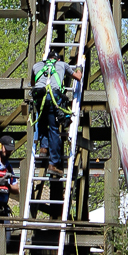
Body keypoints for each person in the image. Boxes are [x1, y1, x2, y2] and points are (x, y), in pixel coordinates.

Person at [31, 49, 82, 177]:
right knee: (53, 129)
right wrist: (79, 68)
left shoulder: (36, 65)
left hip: (38, 96)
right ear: (57, 59)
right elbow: (78, 77)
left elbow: (33, 83)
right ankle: (53, 164)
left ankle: (43, 148)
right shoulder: (62, 64)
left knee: (42, 120)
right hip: (51, 97)